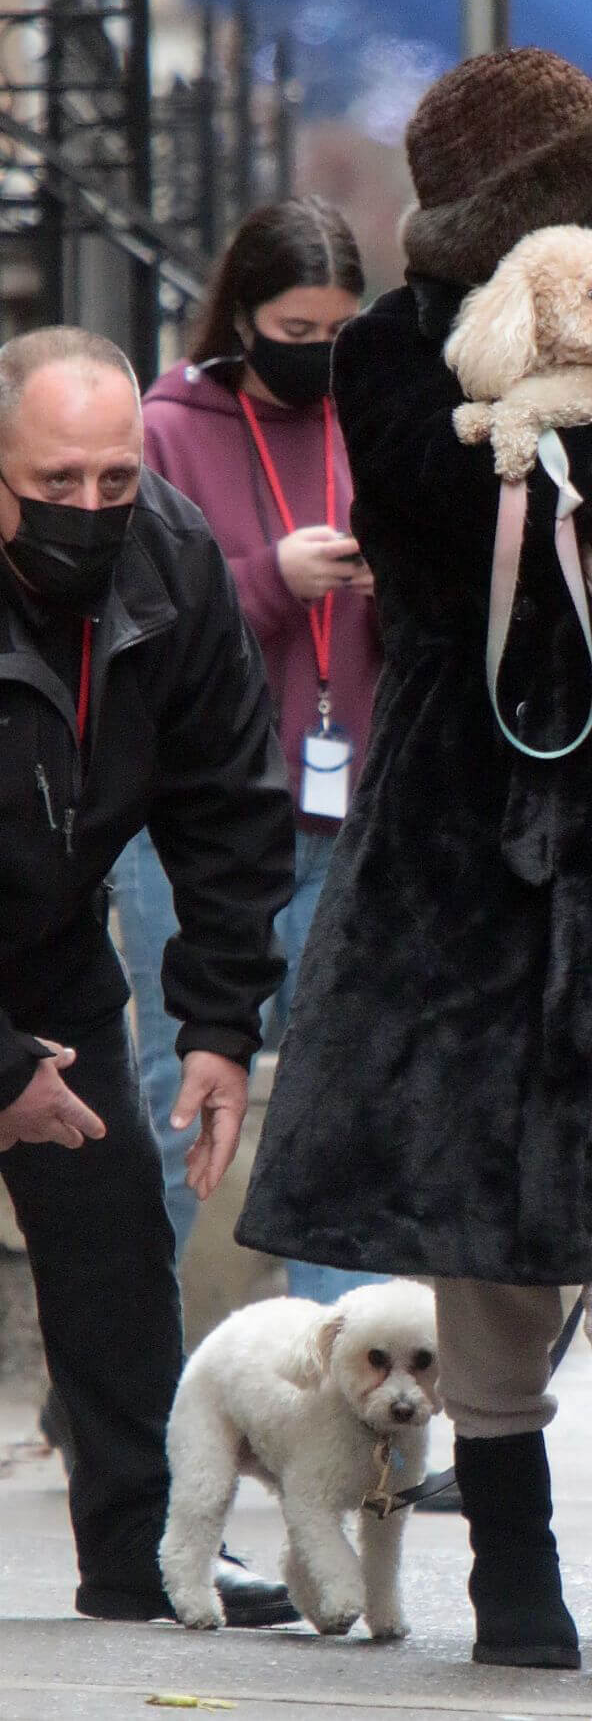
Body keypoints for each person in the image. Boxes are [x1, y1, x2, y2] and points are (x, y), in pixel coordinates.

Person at [235, 48, 592, 1677]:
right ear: (518, 221)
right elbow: (432, 487)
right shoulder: (402, 355)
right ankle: (517, 1572)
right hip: (465, 855)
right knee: (485, 1216)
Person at [0, 326, 297, 1625]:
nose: (90, 510)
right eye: (56, 484)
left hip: (53, 948)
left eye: (114, 481)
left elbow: (227, 801)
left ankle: (143, 1556)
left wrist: (222, 1023)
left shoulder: (171, 562)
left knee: (115, 1237)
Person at [110, 196, 387, 1305]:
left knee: (337, 1103)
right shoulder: (168, 426)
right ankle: (135, 1370)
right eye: (296, 331)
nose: (320, 355)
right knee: (179, 1085)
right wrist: (277, 576)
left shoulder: (369, 415)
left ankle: (346, 1387)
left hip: (344, 809)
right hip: (194, 824)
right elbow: (146, 620)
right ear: (244, 316)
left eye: (339, 332)